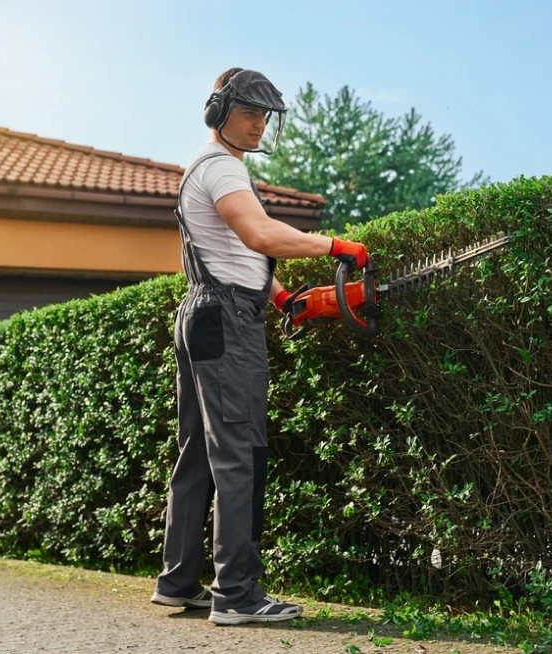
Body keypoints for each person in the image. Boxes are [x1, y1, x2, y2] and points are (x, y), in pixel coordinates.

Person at [149, 67, 368, 625]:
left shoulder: (214, 169)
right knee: (241, 453)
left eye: (264, 115)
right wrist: (335, 245)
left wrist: (282, 298)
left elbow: (235, 252)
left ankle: (178, 583)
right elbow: (260, 236)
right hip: (224, 320)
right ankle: (237, 596)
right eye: (248, 112)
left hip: (207, 311)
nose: (258, 124)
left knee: (199, 451)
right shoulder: (221, 168)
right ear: (219, 111)